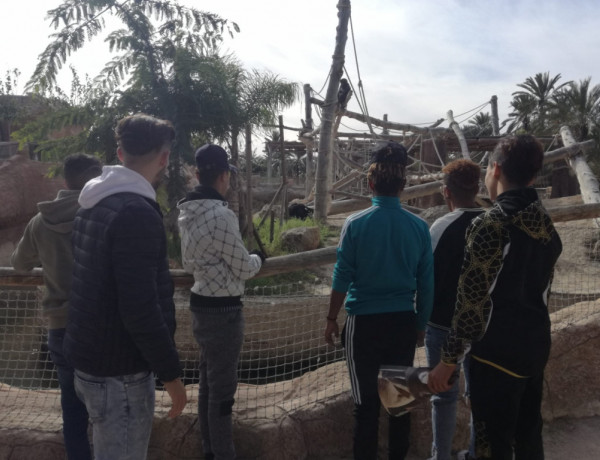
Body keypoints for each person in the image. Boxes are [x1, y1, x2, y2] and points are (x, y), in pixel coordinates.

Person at [428, 135, 563, 460]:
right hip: (534, 350)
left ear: (496, 169)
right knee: (528, 437)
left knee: (491, 444)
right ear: (532, 176)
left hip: (496, 358)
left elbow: (471, 305)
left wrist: (447, 362)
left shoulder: (491, 225)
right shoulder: (543, 223)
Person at [63, 114, 187, 460]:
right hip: (120, 372)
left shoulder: (92, 202)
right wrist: (171, 374)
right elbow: (140, 306)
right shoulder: (136, 212)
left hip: (88, 358)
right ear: (163, 157)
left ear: (120, 152)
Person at [324, 141, 434, 460]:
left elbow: (342, 275)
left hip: (363, 327)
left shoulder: (355, 224)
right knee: (399, 406)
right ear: (403, 185)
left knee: (366, 408)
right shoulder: (419, 228)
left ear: (370, 183)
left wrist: (332, 318)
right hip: (402, 322)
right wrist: (420, 325)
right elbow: (426, 284)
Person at [11, 153, 102, 460]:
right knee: (106, 403)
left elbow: (20, 264)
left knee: (71, 404)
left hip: (59, 325)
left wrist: (47, 259)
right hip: (98, 325)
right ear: (93, 178)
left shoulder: (39, 222)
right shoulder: (100, 213)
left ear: (65, 179)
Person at [177, 144, 264, 460]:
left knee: (208, 382)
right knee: (223, 392)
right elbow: (243, 267)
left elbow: (188, 264)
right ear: (224, 176)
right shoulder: (220, 215)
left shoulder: (186, 213)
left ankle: (209, 449)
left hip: (200, 305)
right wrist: (257, 259)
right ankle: (224, 453)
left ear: (198, 175)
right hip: (224, 310)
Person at [425, 159, 483, 460]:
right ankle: (474, 452)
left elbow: (425, 276)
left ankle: (441, 456)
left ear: (446, 192)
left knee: (443, 396)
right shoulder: (491, 222)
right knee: (478, 396)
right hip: (482, 325)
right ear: (477, 188)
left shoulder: (441, 226)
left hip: (443, 324)